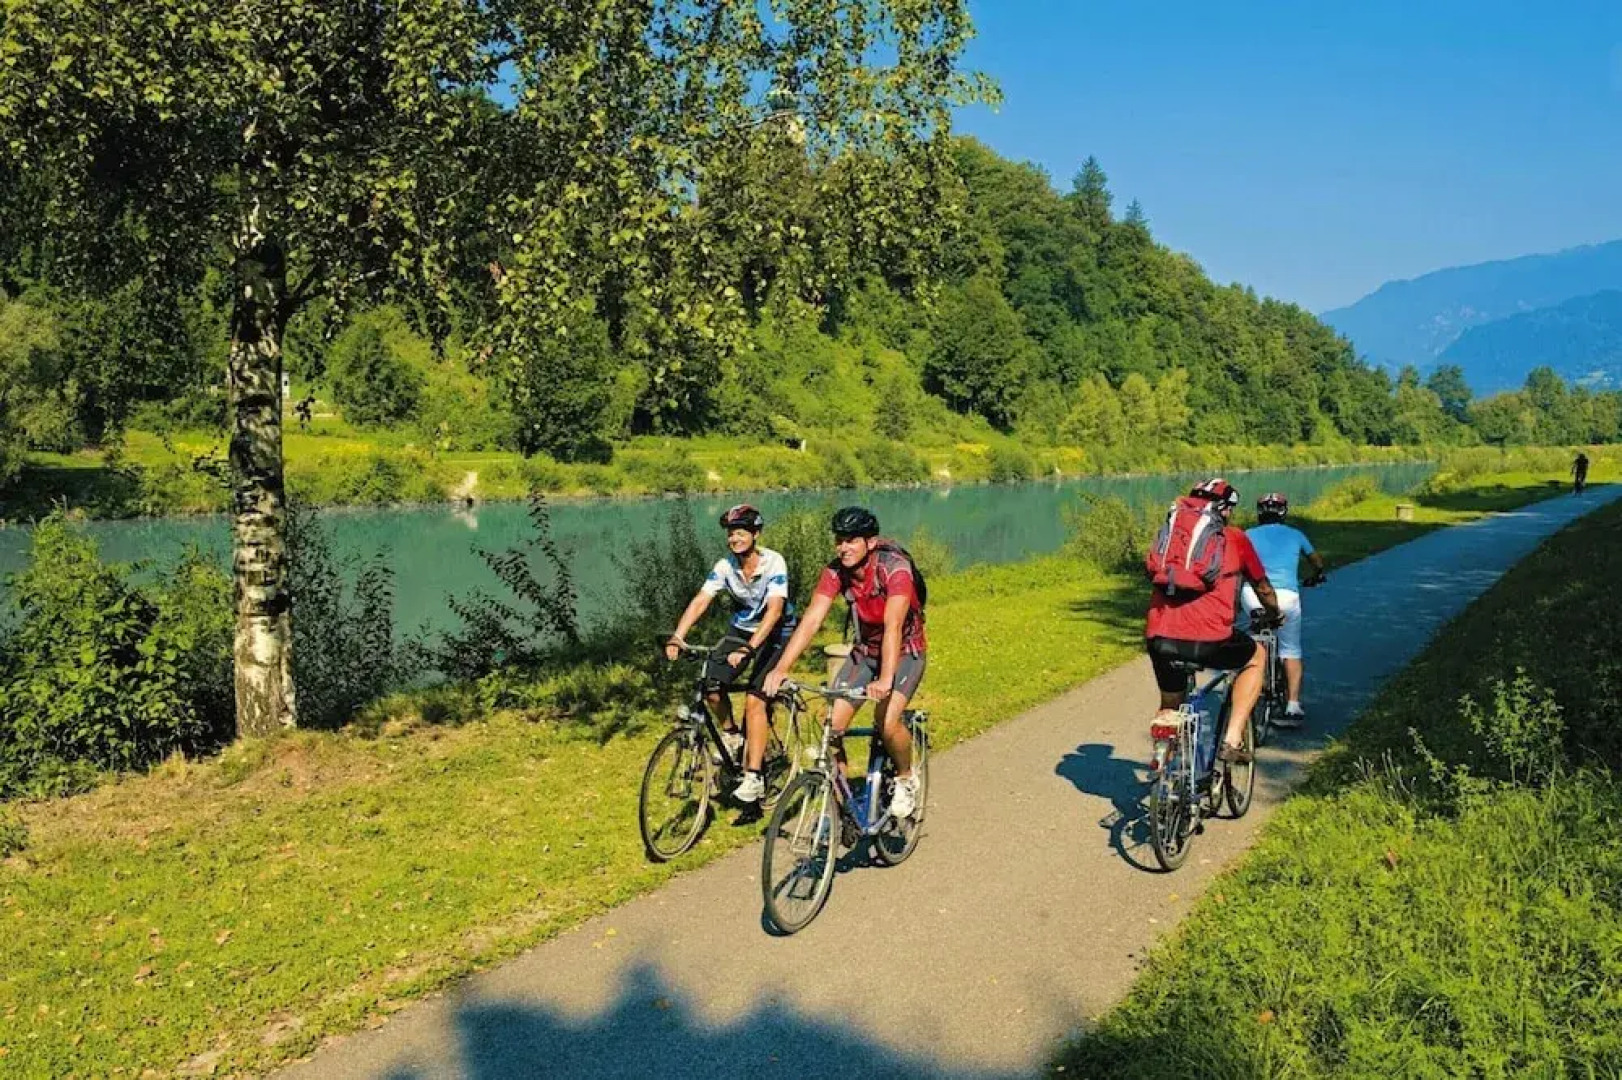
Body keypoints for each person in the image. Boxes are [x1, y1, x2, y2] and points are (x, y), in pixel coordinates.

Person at [763, 506, 926, 821]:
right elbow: (811, 620)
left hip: (905, 651)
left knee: (888, 720)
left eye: (852, 540)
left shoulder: (896, 570)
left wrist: (885, 679)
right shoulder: (836, 571)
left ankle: (906, 777)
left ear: (871, 542)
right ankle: (844, 809)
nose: (843, 547)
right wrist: (781, 668)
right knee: (831, 727)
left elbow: (893, 625)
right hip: (864, 652)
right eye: (839, 540)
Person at [665, 504, 796, 805]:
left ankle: (753, 778)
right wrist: (678, 636)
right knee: (710, 686)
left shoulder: (774, 562)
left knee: (755, 700)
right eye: (730, 534)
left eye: (740, 533)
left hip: (776, 633)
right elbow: (701, 600)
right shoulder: (726, 566)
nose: (733, 539)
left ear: (755, 534)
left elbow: (775, 610)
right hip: (741, 630)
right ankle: (733, 736)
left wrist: (750, 649)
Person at [1145, 478, 1282, 764]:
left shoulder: (1171, 539)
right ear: (1226, 510)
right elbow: (1263, 588)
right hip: (1210, 639)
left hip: (1160, 636)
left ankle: (1164, 769)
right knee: (1256, 657)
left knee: (1171, 703)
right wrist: (1274, 613)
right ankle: (1232, 739)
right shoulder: (1234, 538)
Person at [1240, 493, 1326, 728]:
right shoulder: (1295, 535)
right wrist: (1317, 575)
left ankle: (1249, 687)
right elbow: (1316, 561)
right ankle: (1293, 705)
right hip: (1286, 596)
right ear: (1284, 512)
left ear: (1259, 513)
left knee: (1254, 641)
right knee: (1290, 648)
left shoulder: (1247, 535)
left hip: (1254, 595)